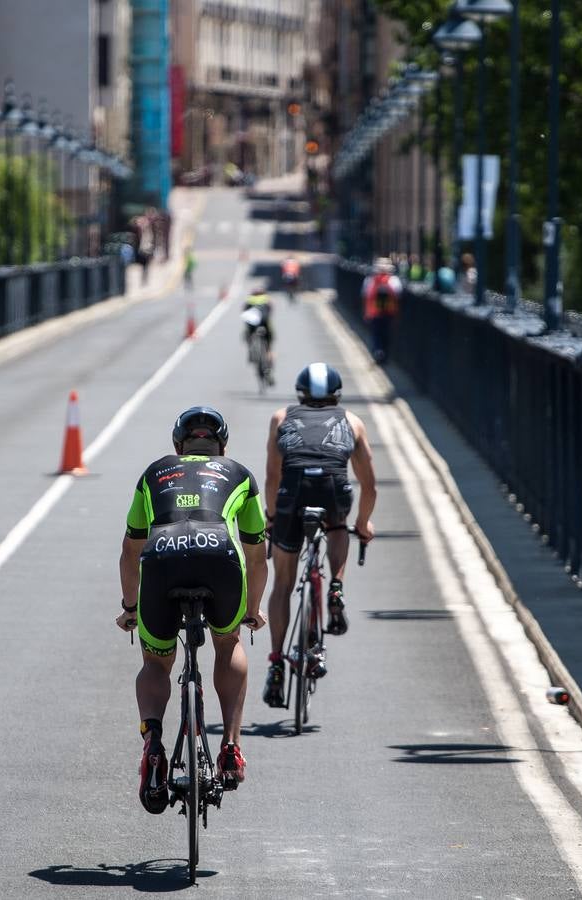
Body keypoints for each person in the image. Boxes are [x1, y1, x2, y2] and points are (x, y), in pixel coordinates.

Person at [117, 407, 269, 813]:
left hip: (162, 555)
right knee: (228, 642)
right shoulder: (239, 473)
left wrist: (131, 608)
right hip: (219, 556)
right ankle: (231, 747)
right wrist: (251, 610)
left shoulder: (154, 473)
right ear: (223, 446)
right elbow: (257, 555)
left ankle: (152, 740)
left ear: (177, 445)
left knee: (155, 662)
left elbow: (130, 551)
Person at [261, 364, 377, 707]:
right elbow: (369, 484)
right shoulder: (352, 422)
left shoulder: (281, 417)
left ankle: (277, 663)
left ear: (300, 393)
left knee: (283, 584)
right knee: (339, 525)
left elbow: (271, 476)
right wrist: (364, 523)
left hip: (292, 492)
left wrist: (271, 519)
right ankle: (336, 586)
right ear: (336, 394)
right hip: (333, 488)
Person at [360, 258, 402, 363]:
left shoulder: (370, 280)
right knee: (386, 334)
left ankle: (378, 351)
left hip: (374, 312)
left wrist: (366, 312)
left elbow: (366, 296)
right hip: (389, 312)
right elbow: (398, 295)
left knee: (376, 333)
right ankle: (385, 354)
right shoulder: (394, 280)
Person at [241, 287, 276, 384]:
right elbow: (271, 310)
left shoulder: (249, 300)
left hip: (252, 326)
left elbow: (244, 312)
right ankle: (269, 362)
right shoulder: (266, 299)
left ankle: (250, 352)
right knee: (269, 347)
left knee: (247, 334)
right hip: (265, 325)